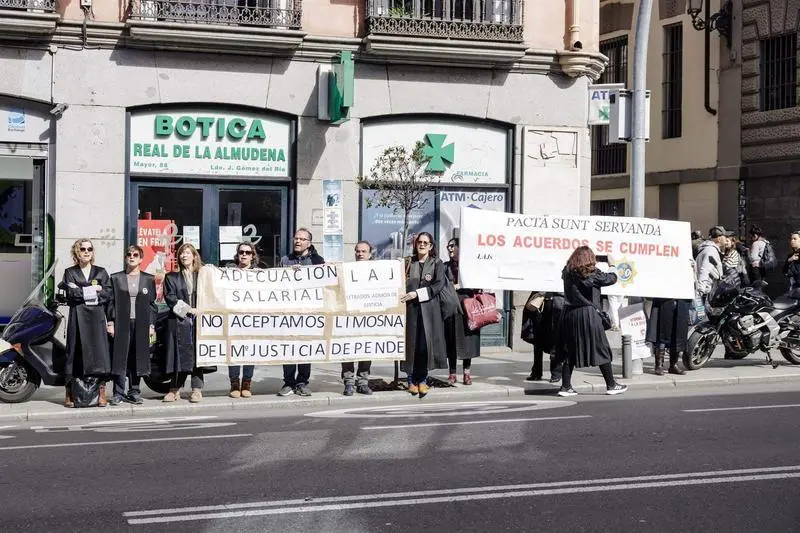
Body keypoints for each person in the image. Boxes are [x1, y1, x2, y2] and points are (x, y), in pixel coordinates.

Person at [557, 246, 628, 396]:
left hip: (569, 314)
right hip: (588, 314)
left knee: (570, 350)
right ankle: (611, 385)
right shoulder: (591, 273)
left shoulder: (567, 271)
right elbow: (612, 278)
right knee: (601, 348)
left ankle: (565, 387)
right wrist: (612, 265)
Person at [59, 239, 112, 407]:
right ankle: (70, 392)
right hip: (77, 317)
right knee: (74, 353)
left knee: (99, 353)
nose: (87, 251)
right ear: (77, 252)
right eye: (83, 249)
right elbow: (71, 294)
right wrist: (94, 289)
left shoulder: (101, 272)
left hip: (97, 317)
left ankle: (101, 391)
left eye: (90, 249)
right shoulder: (70, 272)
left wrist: (80, 289)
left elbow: (107, 295)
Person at [106, 245, 157, 405]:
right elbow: (110, 302)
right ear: (125, 258)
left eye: (135, 255)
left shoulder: (148, 279)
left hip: (141, 323)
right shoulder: (116, 278)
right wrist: (110, 322)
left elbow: (152, 304)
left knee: (138, 357)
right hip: (121, 323)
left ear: (141, 259)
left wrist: (151, 325)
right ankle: (118, 393)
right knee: (120, 357)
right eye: (129, 254)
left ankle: (134, 392)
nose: (132, 257)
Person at [278, 228, 325, 397]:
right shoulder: (285, 260)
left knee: (305, 348)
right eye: (296, 238)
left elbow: (323, 285)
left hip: (308, 313)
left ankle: (302, 382)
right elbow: (277, 284)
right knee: (289, 348)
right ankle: (288, 382)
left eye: (302, 239)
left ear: (309, 243)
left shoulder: (317, 261)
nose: (298, 241)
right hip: (289, 312)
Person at [401, 232, 448, 398]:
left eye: (425, 243)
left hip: (429, 311)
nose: (421, 245)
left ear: (431, 246)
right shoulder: (408, 262)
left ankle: (422, 379)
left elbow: (439, 285)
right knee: (409, 345)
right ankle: (410, 380)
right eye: (419, 242)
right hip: (410, 310)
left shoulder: (437, 263)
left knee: (424, 346)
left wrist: (417, 294)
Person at [163, 243, 207, 403]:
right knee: (178, 356)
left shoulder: (202, 276)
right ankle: (174, 389)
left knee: (197, 355)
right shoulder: (171, 277)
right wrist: (189, 310)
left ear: (194, 256)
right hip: (180, 321)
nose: (184, 255)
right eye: (181, 253)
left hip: (200, 322)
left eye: (188, 253)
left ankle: (197, 390)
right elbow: (170, 298)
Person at [443, 238, 480, 385]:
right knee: (451, 340)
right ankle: (452, 373)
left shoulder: (469, 266)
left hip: (467, 306)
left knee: (467, 340)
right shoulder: (445, 266)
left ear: (460, 247)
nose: (450, 249)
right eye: (448, 246)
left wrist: (461, 285)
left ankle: (467, 373)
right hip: (451, 306)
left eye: (453, 246)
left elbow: (478, 283)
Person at [341, 240, 375, 396]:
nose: (360, 254)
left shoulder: (378, 272)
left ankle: (362, 382)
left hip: (368, 317)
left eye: (363, 251)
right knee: (347, 349)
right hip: (350, 316)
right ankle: (348, 382)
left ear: (370, 254)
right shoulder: (347, 270)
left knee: (366, 349)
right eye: (358, 251)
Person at [226, 242, 259, 399]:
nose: (244, 255)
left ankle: (246, 383)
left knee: (249, 351)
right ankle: (234, 383)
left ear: (253, 256)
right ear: (237, 255)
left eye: (248, 252)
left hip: (252, 319)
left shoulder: (259, 274)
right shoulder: (229, 272)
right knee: (233, 350)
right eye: (241, 252)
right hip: (233, 318)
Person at [524, 292, 565, 383]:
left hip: (556, 307)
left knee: (555, 341)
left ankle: (556, 373)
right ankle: (536, 373)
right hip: (541, 305)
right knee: (537, 341)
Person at [645, 298, 688, 376]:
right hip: (664, 302)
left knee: (678, 335)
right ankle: (659, 365)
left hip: (681, 302)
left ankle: (673, 365)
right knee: (662, 334)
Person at [695, 226, 727, 298]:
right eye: (725, 236)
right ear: (719, 239)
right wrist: (700, 291)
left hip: (706, 291)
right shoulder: (711, 250)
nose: (726, 238)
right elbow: (705, 269)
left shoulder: (709, 249)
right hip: (705, 293)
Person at [783, 231, 800, 298]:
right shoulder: (791, 255)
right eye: (791, 239)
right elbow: (784, 271)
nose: (792, 241)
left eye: (795, 239)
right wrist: (789, 260)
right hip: (793, 287)